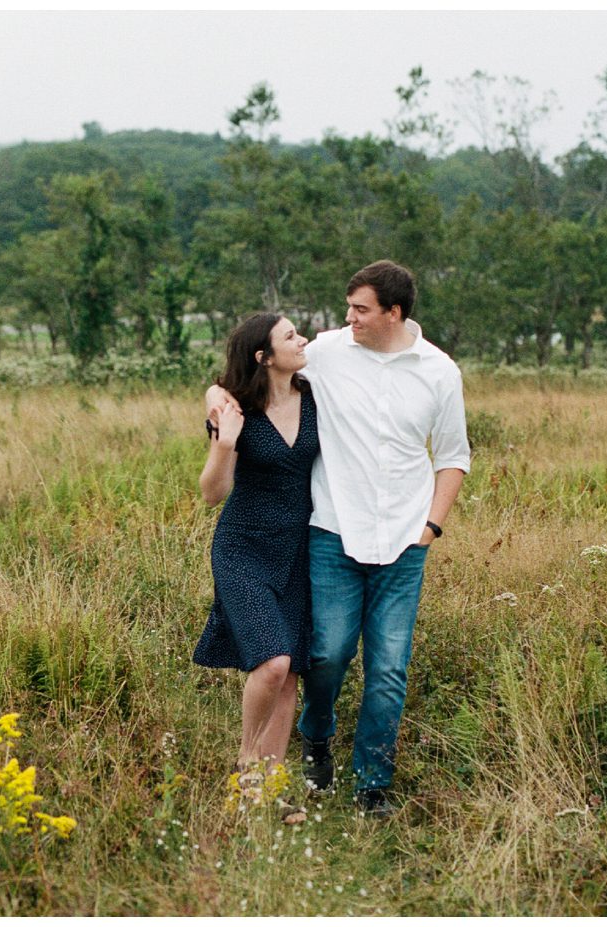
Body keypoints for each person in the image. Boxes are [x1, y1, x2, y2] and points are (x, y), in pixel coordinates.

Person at [207, 259, 468, 819]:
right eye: (348, 308)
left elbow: (452, 457)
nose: (347, 318)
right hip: (331, 533)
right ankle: (316, 741)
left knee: (389, 667)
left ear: (393, 313)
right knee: (324, 655)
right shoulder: (326, 351)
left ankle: (373, 784)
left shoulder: (439, 372)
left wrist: (431, 527)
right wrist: (215, 403)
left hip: (404, 540)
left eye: (361, 309)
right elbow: (243, 367)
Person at [192, 312, 320, 806]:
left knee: (289, 675)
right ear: (263, 357)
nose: (301, 339)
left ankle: (272, 790)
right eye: (290, 335)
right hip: (243, 547)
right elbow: (211, 493)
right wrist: (224, 445)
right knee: (272, 661)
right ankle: (247, 763)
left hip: (299, 549)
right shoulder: (234, 408)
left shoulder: (313, 394)